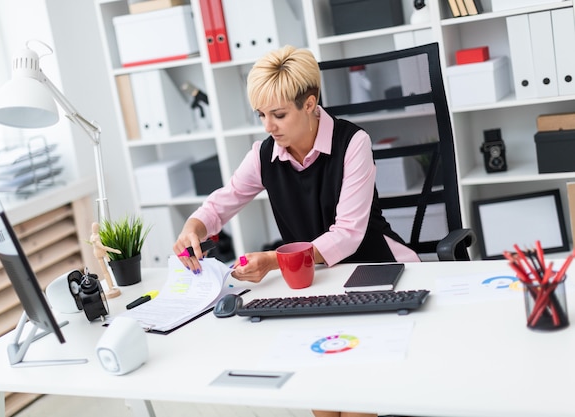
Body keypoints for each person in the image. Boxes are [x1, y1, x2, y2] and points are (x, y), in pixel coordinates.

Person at [174, 43, 420, 417]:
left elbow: (348, 234)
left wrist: (275, 261)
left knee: (355, 403)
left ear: (310, 103)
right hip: (311, 283)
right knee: (322, 399)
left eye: (278, 114)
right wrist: (195, 225)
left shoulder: (353, 143)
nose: (268, 126)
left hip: (371, 270)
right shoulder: (264, 153)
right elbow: (226, 199)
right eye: (261, 115)